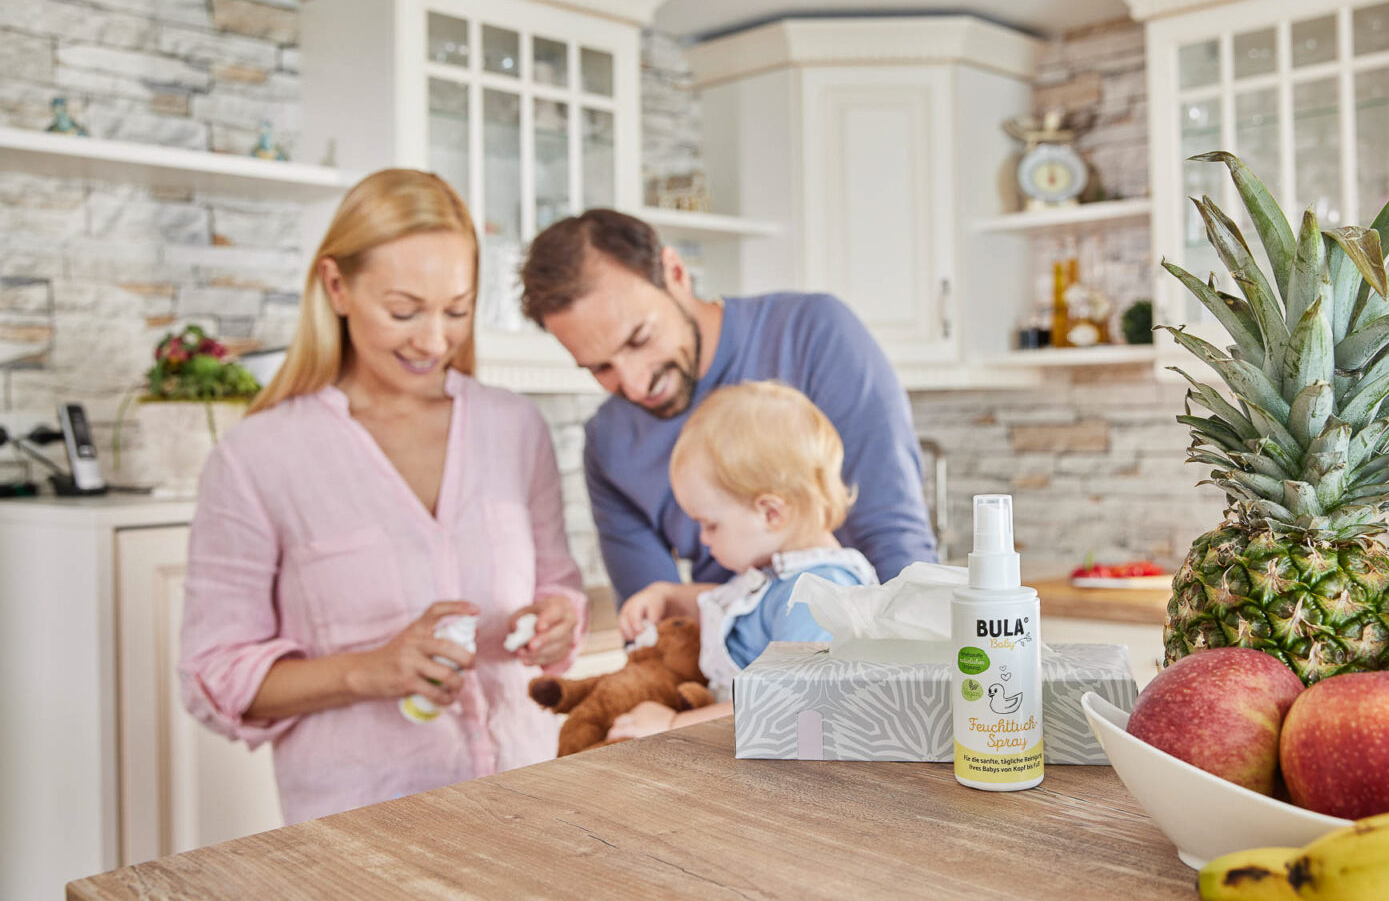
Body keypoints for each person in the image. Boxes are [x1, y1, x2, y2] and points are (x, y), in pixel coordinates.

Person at [179, 169, 588, 825]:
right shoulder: (257, 457)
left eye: (456, 310)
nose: (433, 339)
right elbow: (214, 676)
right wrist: (370, 669)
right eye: (404, 311)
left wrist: (558, 619)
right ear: (336, 286)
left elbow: (558, 585)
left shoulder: (514, 427)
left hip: (526, 804)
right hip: (360, 830)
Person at [519, 208, 936, 605]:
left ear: (676, 273)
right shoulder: (610, 444)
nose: (635, 383)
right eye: (599, 367)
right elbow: (656, 629)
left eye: (639, 339)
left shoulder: (812, 335)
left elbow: (896, 543)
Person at [609, 381, 876, 738]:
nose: (702, 540)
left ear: (770, 513)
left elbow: (794, 701)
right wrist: (668, 596)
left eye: (710, 524)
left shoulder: (818, 596)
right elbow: (740, 604)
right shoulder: (782, 578)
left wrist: (674, 726)